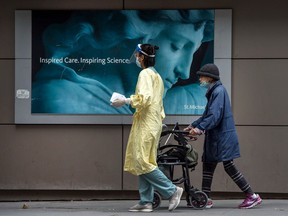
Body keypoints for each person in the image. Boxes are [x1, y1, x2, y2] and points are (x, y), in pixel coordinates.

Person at [31, 10, 214, 115]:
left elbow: (208, 92)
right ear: (132, 37)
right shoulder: (60, 100)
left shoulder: (156, 103)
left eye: (194, 52)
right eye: (177, 46)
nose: (185, 71)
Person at [111, 44, 183, 212]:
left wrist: (125, 101)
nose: (136, 58)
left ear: (141, 57)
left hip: (146, 124)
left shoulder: (145, 74)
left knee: (141, 161)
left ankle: (172, 191)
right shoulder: (156, 75)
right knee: (145, 162)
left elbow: (145, 98)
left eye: (137, 55)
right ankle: (146, 202)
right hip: (153, 123)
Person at [184, 63, 262, 209]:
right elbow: (207, 115)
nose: (200, 78)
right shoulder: (215, 90)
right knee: (208, 163)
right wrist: (193, 125)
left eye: (201, 76)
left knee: (228, 165)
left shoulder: (218, 91)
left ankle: (252, 196)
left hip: (222, 137)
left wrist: (199, 129)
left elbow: (214, 115)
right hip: (219, 137)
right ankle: (205, 198)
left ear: (209, 77)